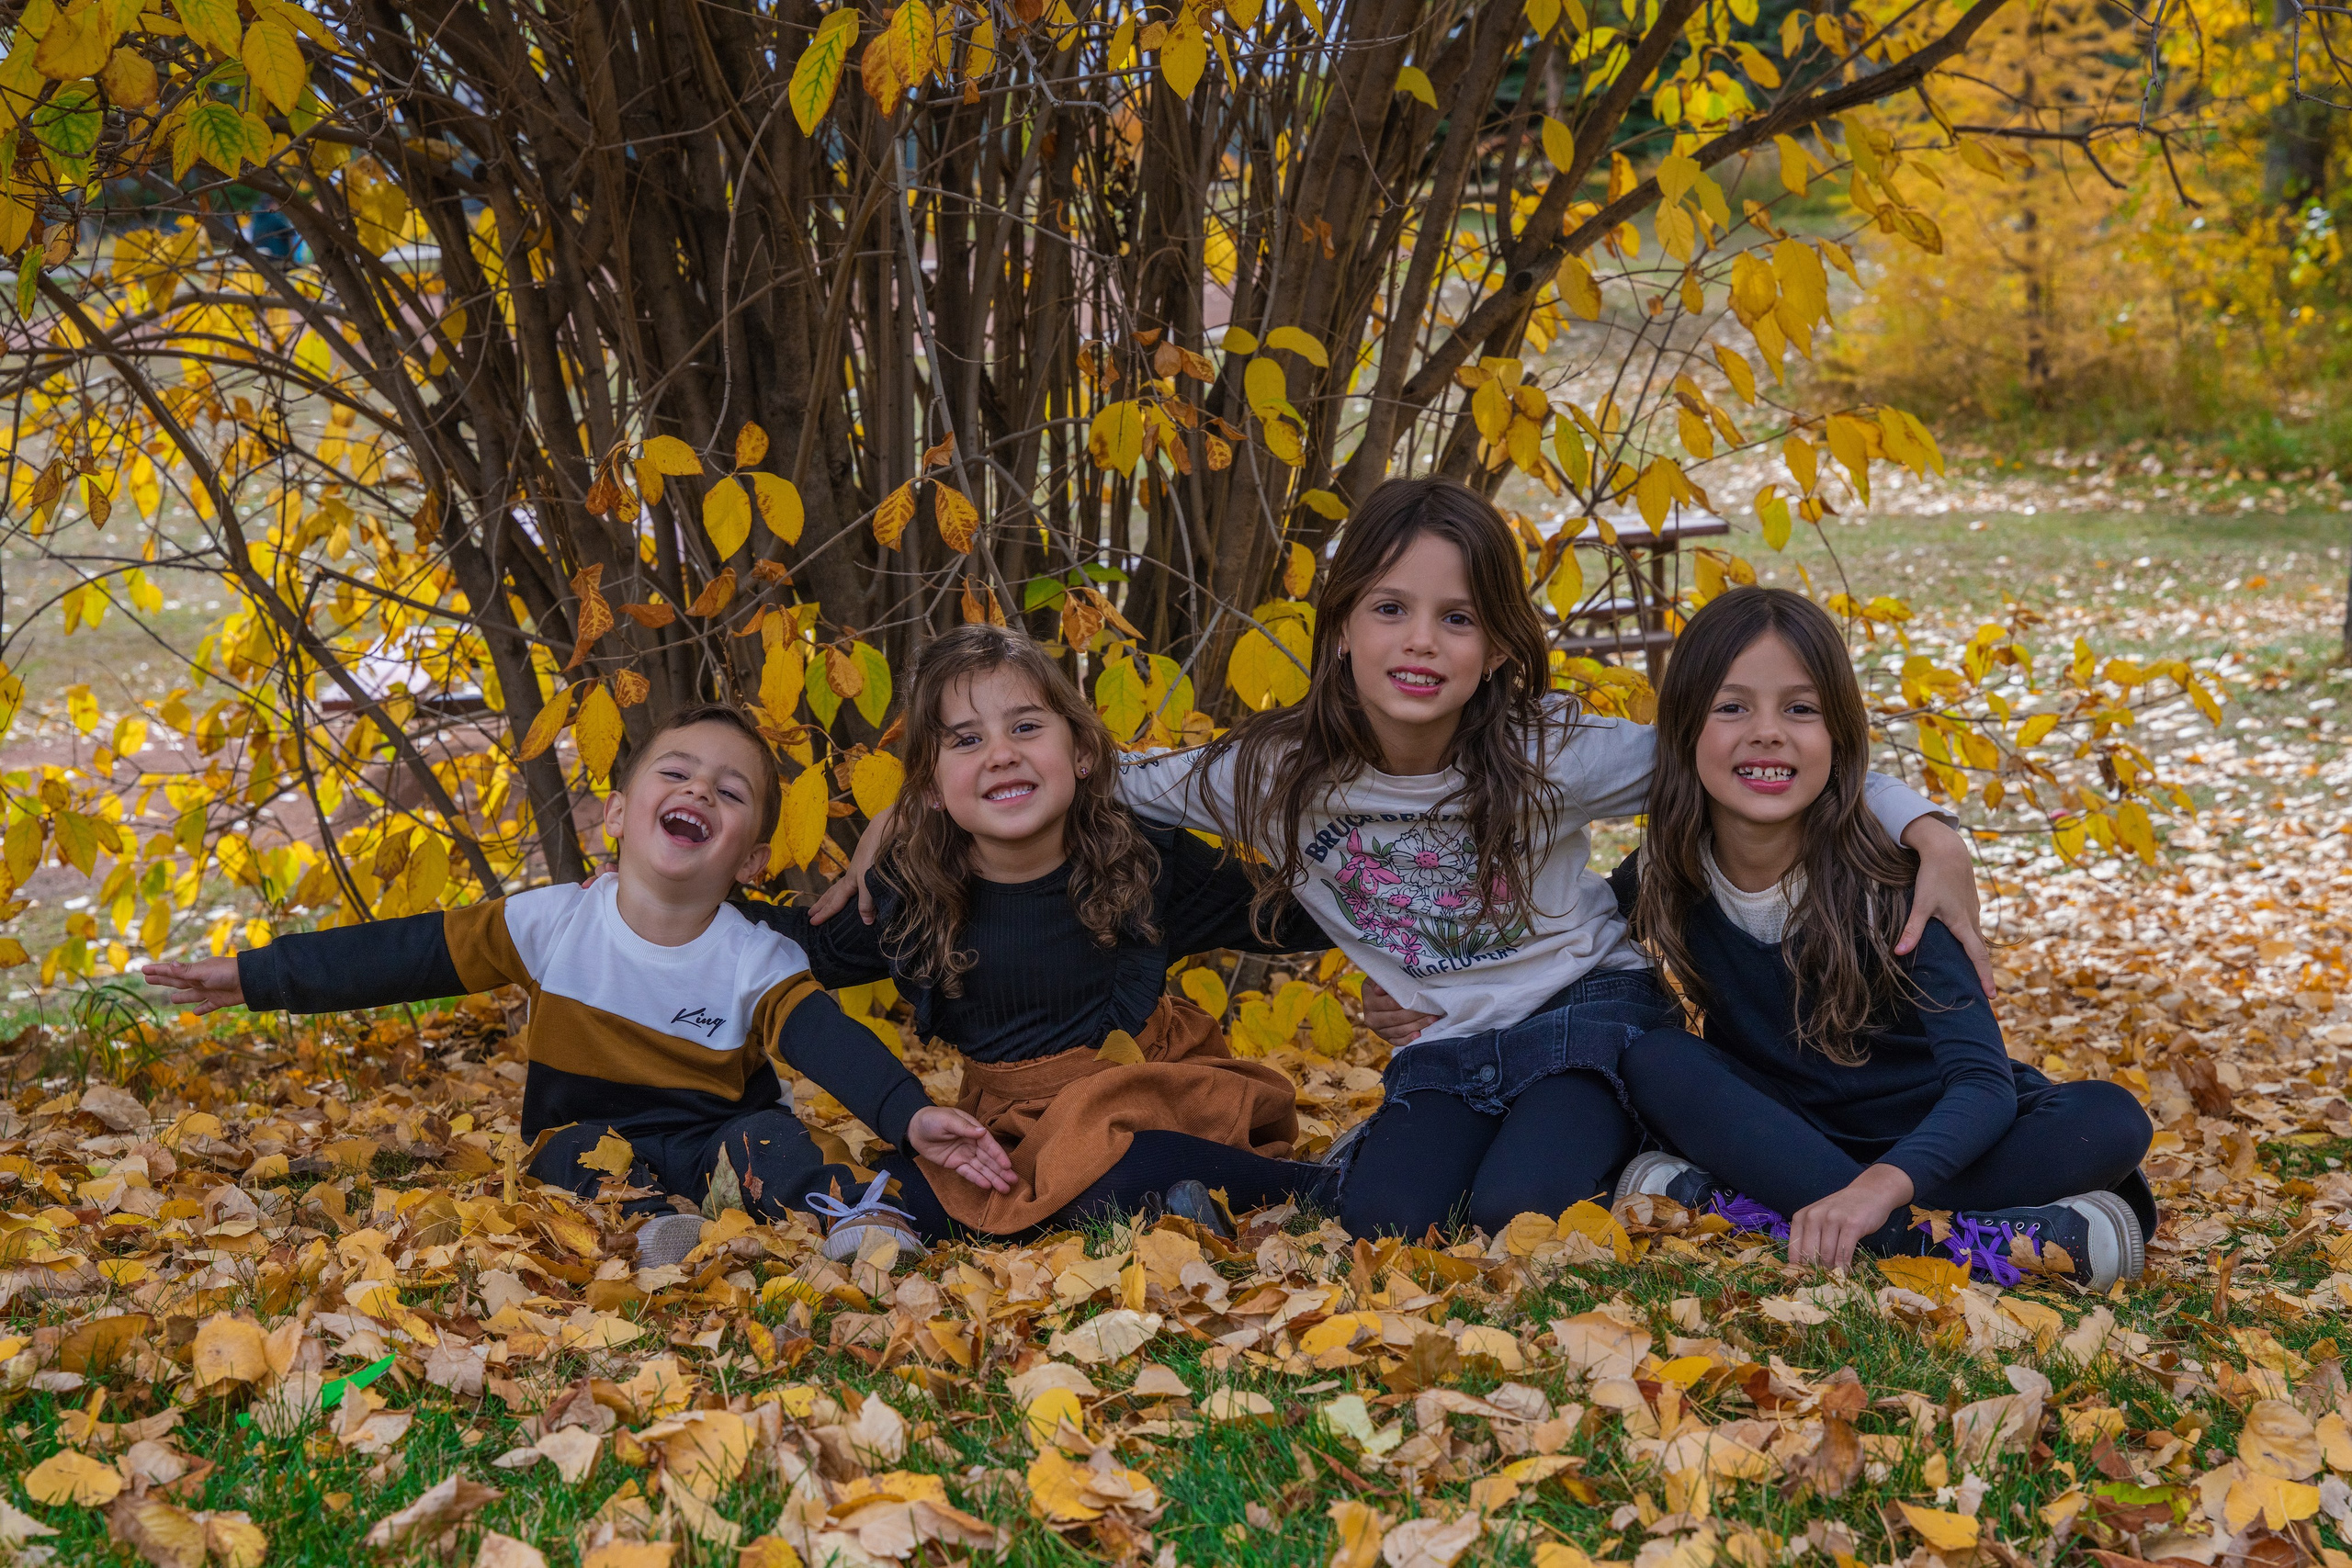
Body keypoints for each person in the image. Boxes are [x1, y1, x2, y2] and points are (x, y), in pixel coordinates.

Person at [823, 476, 1985, 1239]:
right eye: (1389, 609)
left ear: (1495, 646)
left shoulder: (1552, 751)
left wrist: (1927, 823)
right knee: (1386, 1223)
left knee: (1520, 1211)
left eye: (1457, 618)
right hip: (1446, 1049)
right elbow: (1064, 768)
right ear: (1340, 628)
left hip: (1590, 1019)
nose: (1420, 642)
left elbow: (1741, 750)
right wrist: (899, 812)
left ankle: (1657, 1154)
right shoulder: (1270, 774)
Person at [142, 704, 1015, 1268]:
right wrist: (255, 975)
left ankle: (853, 1221)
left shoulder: (756, 956)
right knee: (566, 1154)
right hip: (592, 1137)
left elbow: (831, 1044)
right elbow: (400, 954)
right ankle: (649, 1236)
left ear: (751, 857)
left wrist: (908, 1115)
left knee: (775, 1141)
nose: (699, 789)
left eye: (730, 788)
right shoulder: (551, 923)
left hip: (716, 1140)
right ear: (618, 813)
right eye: (675, 773)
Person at [1608, 587, 2154, 1287]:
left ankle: (1761, 1209)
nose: (1768, 731)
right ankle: (1967, 1245)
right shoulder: (1669, 866)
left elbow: (1983, 1085)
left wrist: (1877, 1187)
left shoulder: (1897, 878)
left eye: (1800, 709)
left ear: (1840, 736)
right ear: (1684, 729)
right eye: (1732, 706)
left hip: (1938, 1141)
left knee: (2110, 1118)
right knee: (1655, 1060)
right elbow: (1564, 940)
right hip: (1787, 1133)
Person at [756, 625, 1337, 1241]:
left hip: (1147, 1094)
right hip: (1012, 1124)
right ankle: (1165, 1204)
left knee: (1111, 1173)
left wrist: (1407, 948)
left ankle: (1316, 1187)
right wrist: (665, 888)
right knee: (915, 1191)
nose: (1001, 753)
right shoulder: (911, 887)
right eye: (967, 740)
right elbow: (805, 947)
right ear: (929, 785)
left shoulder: (1140, 859)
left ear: (1081, 751)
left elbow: (1288, 907)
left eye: (1026, 727)